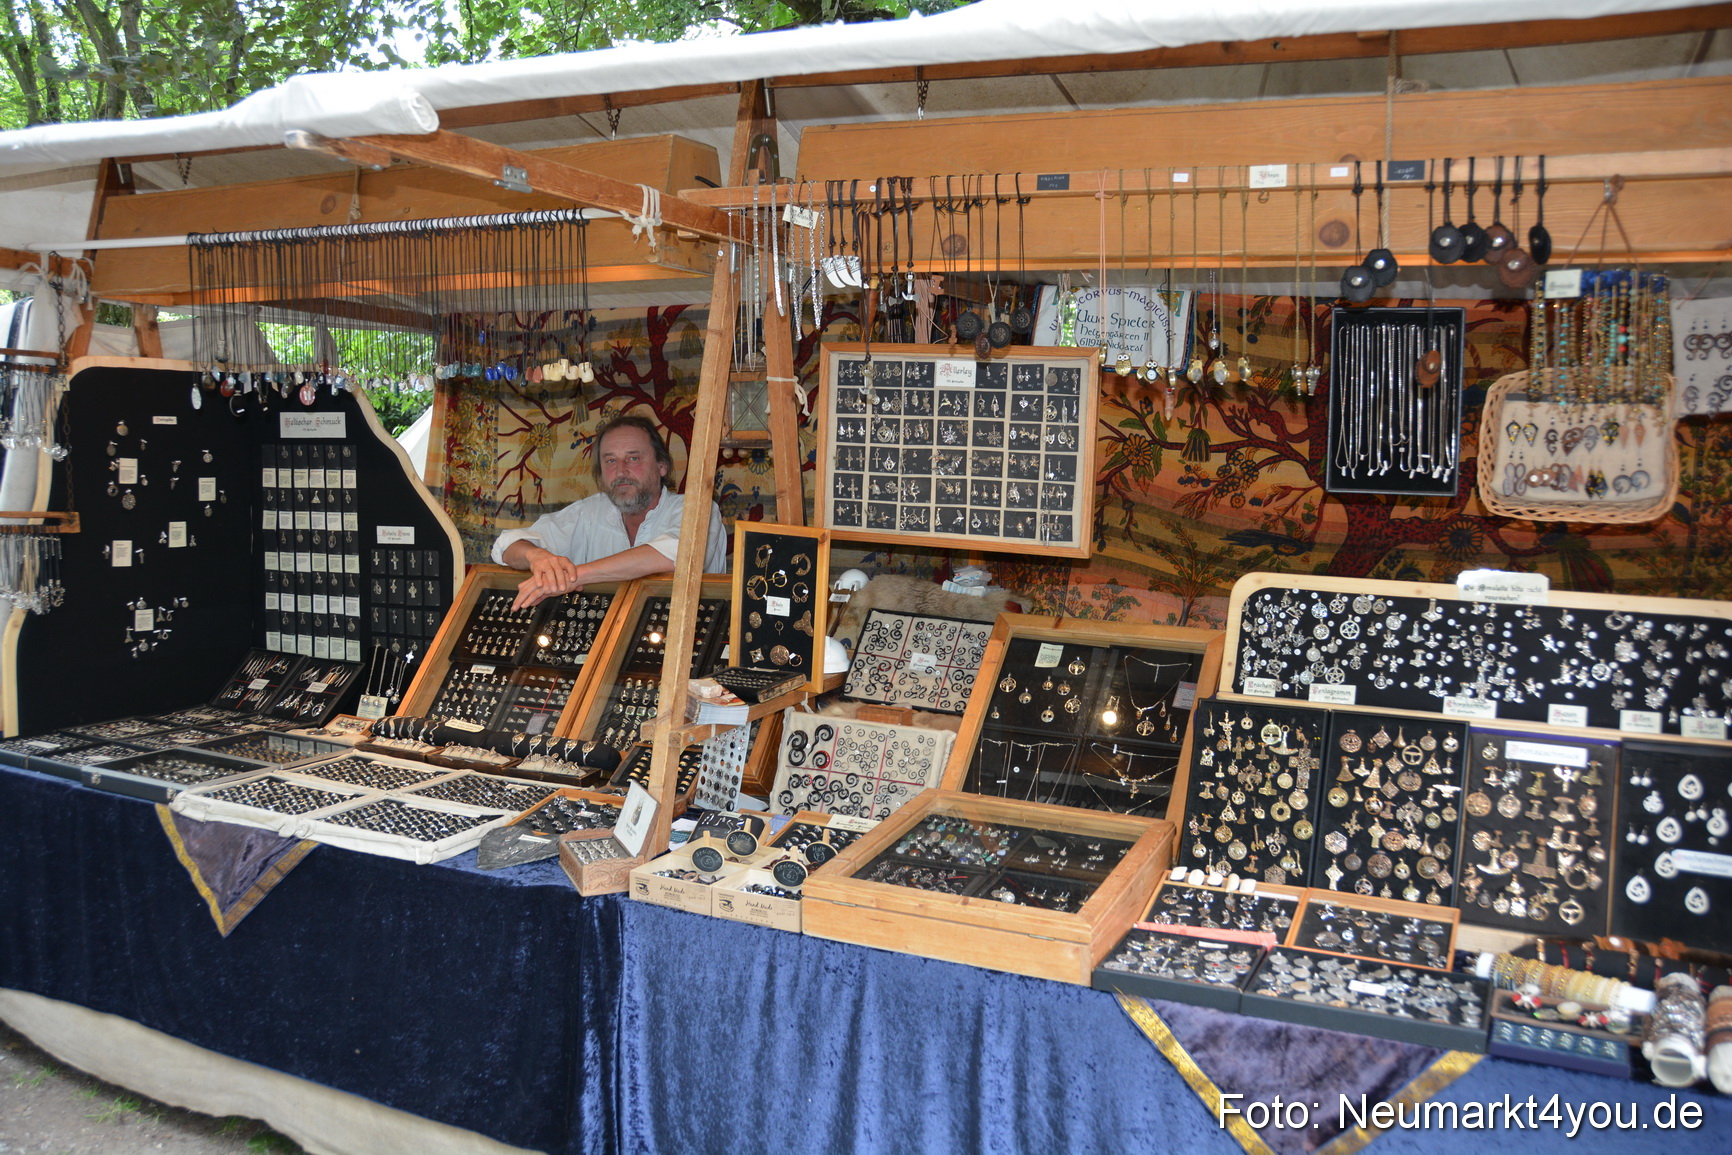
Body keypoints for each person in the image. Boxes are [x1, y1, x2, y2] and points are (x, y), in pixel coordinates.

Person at [492, 414, 726, 609]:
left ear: (662, 466)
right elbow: (506, 546)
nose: (621, 471)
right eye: (610, 461)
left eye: (633, 458)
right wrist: (538, 557)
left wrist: (572, 577)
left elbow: (680, 555)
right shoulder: (589, 511)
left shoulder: (698, 510)